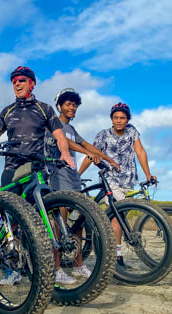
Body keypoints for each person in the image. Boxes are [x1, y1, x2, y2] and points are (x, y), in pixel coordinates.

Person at [0, 66, 75, 285]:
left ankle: (56, 268)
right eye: (13, 81)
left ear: (32, 83)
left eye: (21, 80)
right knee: (10, 223)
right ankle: (12, 271)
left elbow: (60, 136)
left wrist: (65, 153)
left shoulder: (45, 109)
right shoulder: (7, 111)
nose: (17, 84)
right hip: (11, 170)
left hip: (36, 170)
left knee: (46, 220)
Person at [45, 88, 119, 284]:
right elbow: (67, 144)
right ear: (59, 106)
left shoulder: (72, 129)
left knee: (78, 223)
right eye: (68, 104)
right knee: (59, 224)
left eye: (75, 105)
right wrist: (90, 154)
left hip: (72, 179)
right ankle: (56, 268)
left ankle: (78, 266)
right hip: (56, 178)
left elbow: (87, 145)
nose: (72, 108)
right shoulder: (53, 124)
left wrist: (108, 159)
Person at [78, 102, 156, 269]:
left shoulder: (132, 131)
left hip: (128, 180)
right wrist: (78, 174)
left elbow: (140, 151)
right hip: (110, 181)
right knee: (117, 218)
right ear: (111, 119)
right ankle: (117, 258)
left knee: (119, 217)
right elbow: (90, 155)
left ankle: (113, 252)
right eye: (115, 117)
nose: (119, 121)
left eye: (122, 118)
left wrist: (148, 174)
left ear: (128, 119)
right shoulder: (103, 135)